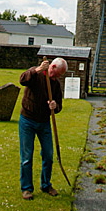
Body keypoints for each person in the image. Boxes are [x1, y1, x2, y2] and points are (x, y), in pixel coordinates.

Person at [19, 57, 68, 200]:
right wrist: (38, 69)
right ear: (52, 67)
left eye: (60, 76)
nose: (57, 77)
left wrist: (55, 107)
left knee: (48, 155)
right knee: (27, 157)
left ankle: (45, 185)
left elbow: (59, 105)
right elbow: (22, 80)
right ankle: (27, 189)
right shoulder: (36, 73)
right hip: (27, 120)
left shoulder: (56, 85)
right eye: (57, 74)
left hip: (44, 122)